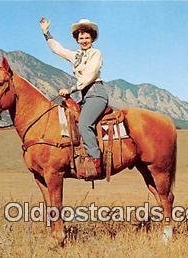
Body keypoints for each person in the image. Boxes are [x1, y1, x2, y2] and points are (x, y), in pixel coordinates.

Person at [39, 17, 109, 175]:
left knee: (84, 123)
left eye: (87, 37)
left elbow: (89, 76)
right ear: (77, 39)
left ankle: (96, 161)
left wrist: (71, 89)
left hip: (96, 93)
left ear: (92, 38)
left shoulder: (96, 54)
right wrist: (46, 32)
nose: (84, 40)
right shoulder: (75, 55)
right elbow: (58, 49)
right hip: (85, 96)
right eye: (81, 37)